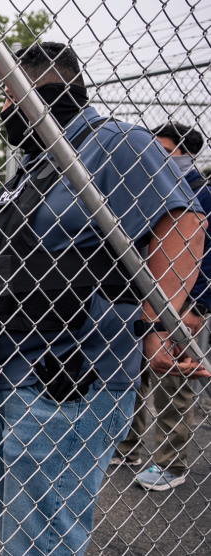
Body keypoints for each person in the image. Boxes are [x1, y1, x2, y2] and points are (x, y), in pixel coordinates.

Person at [0, 43, 206, 555]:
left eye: (8, 97)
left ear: (36, 92)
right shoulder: (41, 161)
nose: (3, 111)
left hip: (70, 379)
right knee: (22, 532)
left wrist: (162, 325)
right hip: (13, 369)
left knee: (43, 539)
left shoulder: (113, 143)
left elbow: (184, 220)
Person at [115, 122, 209, 491]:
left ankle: (171, 464)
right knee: (132, 377)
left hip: (180, 304)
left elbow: (206, 257)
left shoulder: (201, 194)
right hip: (142, 302)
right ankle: (127, 446)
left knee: (173, 383)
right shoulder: (146, 189)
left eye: (166, 153)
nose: (156, 159)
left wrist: (196, 308)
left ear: (186, 155)